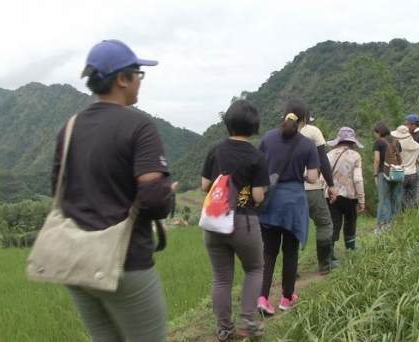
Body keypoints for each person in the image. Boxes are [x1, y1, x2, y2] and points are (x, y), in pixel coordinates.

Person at [52, 39, 176, 342]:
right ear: (121, 79)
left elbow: (58, 189)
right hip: (125, 262)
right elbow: (154, 200)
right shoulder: (139, 127)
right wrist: (168, 194)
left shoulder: (69, 127)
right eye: (138, 74)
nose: (139, 82)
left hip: (75, 261)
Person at [200, 100, 269, 341]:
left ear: (228, 123)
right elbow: (259, 196)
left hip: (214, 222)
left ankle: (224, 329)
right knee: (254, 268)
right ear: (254, 127)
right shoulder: (257, 156)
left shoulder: (215, 151)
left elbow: (204, 186)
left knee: (221, 278)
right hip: (243, 222)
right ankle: (248, 320)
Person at [257, 100, 319, 315]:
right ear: (304, 120)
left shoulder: (267, 138)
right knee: (290, 252)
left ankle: (263, 298)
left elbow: (259, 167)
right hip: (293, 203)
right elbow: (312, 177)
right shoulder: (308, 144)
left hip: (271, 201)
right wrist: (298, 173)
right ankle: (286, 298)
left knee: (268, 251)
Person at [298, 111, 339, 274]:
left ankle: (291, 269)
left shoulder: (280, 134)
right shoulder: (312, 131)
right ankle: (324, 264)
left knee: (291, 228)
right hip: (311, 188)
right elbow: (323, 160)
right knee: (324, 224)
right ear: (306, 119)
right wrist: (331, 185)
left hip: (288, 190)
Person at [325, 127, 365, 253]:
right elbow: (358, 179)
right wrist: (362, 199)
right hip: (349, 195)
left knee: (334, 223)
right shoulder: (355, 156)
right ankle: (350, 247)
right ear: (352, 142)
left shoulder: (329, 155)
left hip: (331, 195)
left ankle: (330, 254)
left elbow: (322, 178)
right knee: (350, 221)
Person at [373, 123, 402, 232]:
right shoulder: (397, 142)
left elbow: (377, 160)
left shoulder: (378, 142)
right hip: (397, 172)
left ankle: (382, 225)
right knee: (396, 197)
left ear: (379, 132)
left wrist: (375, 175)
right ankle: (395, 224)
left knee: (384, 198)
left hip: (383, 173)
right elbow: (399, 156)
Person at [391, 125, 419, 211]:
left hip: (401, 174)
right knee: (412, 196)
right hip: (413, 173)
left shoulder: (397, 145)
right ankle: (411, 215)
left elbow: (393, 159)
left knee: (400, 196)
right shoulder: (416, 145)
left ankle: (402, 215)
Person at [405, 114, 419, 209]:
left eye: (408, 124)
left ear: (413, 124)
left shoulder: (418, 136)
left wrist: (417, 162)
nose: (407, 127)